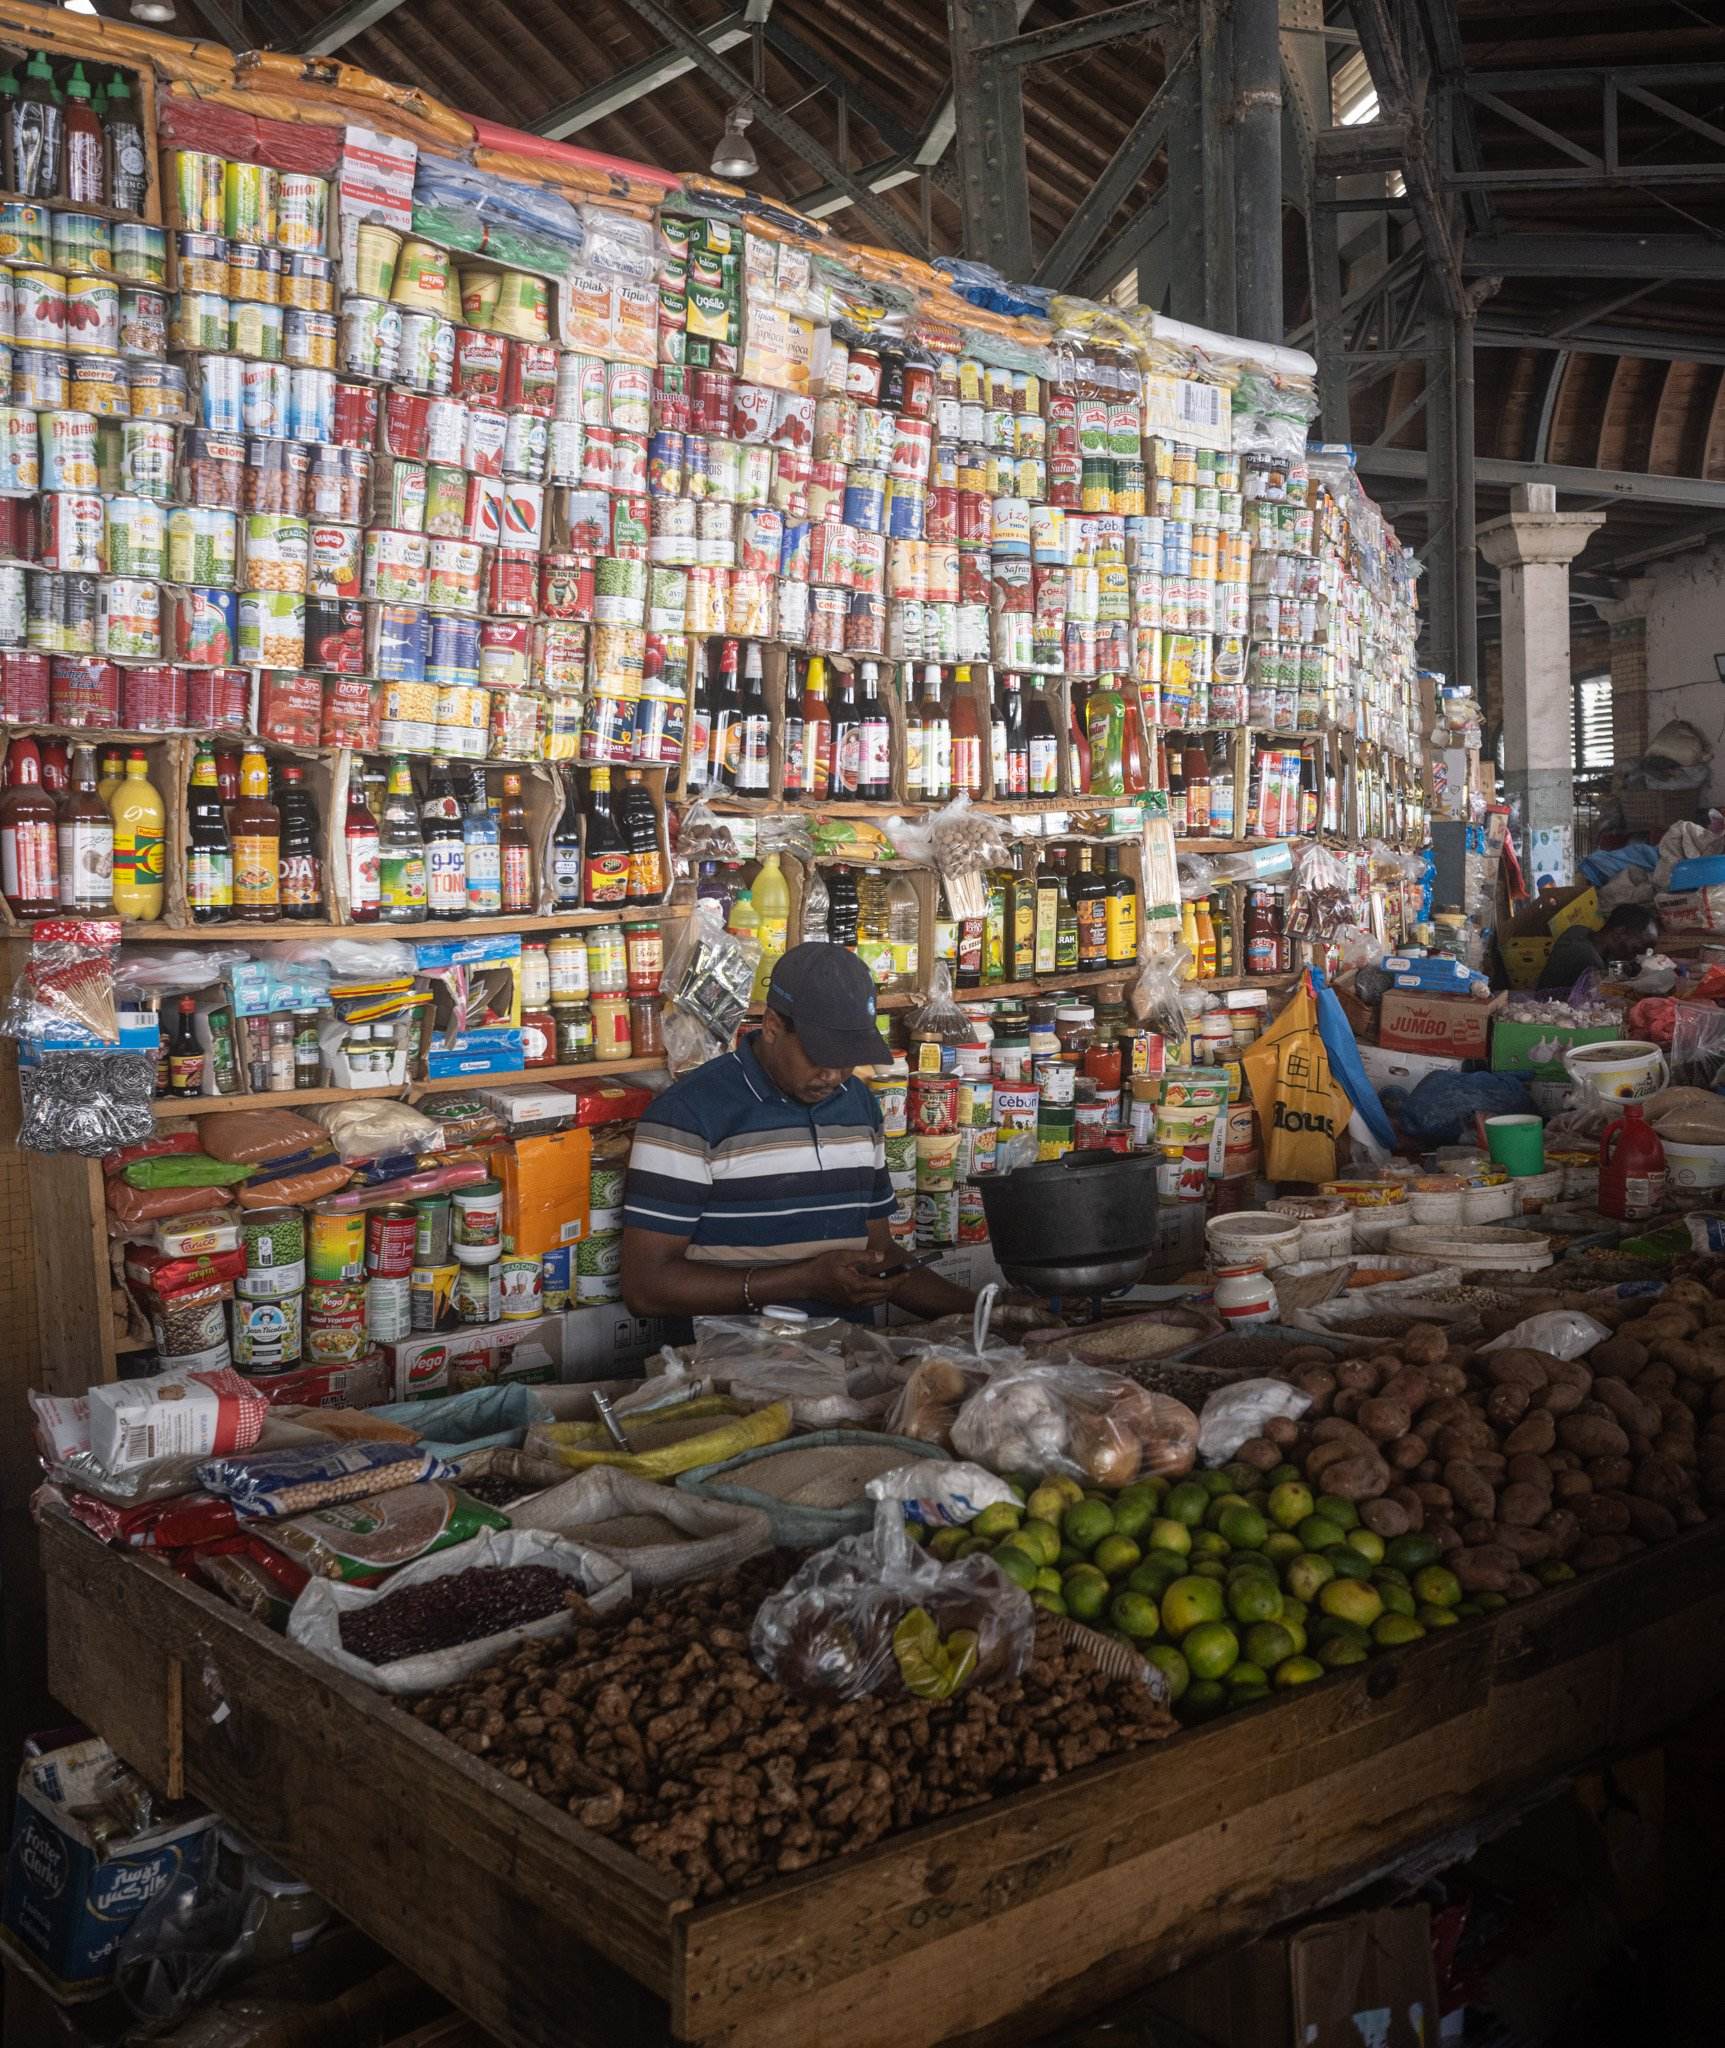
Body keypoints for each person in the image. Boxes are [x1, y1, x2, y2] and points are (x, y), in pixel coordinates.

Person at [621, 942, 978, 1323]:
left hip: (848, 1360)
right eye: (821, 1056)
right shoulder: (687, 1114)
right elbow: (647, 1288)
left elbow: (879, 1252)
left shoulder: (858, 1104)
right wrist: (802, 1282)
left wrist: (988, 1309)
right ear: (773, 1027)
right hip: (731, 1368)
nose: (834, 1075)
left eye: (847, 1059)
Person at [1535, 903, 1659, 991]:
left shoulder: (1579, 931)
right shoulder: (1587, 958)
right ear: (1619, 933)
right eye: (1636, 949)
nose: (1636, 957)